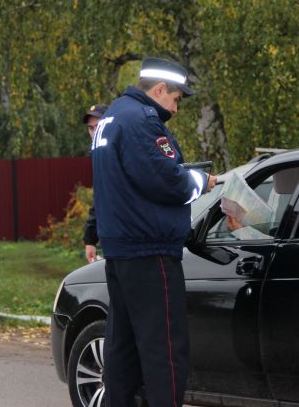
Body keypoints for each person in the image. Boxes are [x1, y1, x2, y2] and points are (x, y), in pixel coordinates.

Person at [90, 57, 217, 407]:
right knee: (165, 353)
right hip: (150, 252)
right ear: (159, 89)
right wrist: (202, 182)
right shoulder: (142, 122)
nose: (175, 109)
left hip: (119, 251)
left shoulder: (112, 118)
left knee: (123, 350)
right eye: (175, 99)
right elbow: (168, 180)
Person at [82, 103, 108, 263]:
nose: (94, 132)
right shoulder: (97, 154)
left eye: (98, 126)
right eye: (91, 128)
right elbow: (100, 196)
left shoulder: (115, 152)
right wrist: (90, 239)